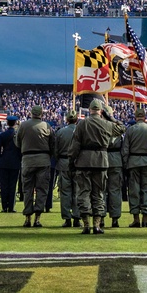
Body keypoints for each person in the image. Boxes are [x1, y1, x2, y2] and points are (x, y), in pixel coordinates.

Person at [71, 98, 125, 235]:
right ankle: (96, 225)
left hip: (84, 161)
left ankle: (86, 225)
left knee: (84, 193)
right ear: (101, 111)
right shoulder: (107, 124)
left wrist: (72, 160)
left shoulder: (82, 124)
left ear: (89, 110)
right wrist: (111, 117)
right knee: (98, 193)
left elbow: (75, 145)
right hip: (101, 161)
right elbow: (122, 128)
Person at [15, 105, 55, 227]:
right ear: (41, 114)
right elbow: (53, 143)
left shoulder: (23, 125)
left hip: (27, 160)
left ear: (31, 113)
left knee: (27, 190)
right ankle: (37, 218)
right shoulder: (47, 126)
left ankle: (27, 218)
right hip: (43, 160)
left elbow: (17, 142)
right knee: (42, 190)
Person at [122, 105, 147, 227]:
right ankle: (145, 218)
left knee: (134, 191)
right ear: (145, 118)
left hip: (133, 162)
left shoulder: (130, 130)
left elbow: (125, 149)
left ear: (136, 118)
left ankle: (136, 218)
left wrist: (125, 164)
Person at [54, 110, 82, 227]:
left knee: (65, 193)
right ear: (76, 120)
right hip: (77, 163)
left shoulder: (60, 132)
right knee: (77, 192)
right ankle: (77, 218)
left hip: (64, 163)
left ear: (66, 120)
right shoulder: (80, 132)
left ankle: (67, 219)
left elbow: (55, 150)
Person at [0, 116, 21, 213]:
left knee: (4, 185)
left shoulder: (2, 135)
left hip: (4, 162)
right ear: (15, 123)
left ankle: (4, 207)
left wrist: (1, 156)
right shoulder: (17, 135)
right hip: (15, 162)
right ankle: (11, 206)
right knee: (12, 185)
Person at [104, 124, 125, 228]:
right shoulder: (118, 130)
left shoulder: (101, 126)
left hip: (102, 159)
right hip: (116, 160)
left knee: (100, 190)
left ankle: (101, 217)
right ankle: (115, 219)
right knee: (115, 190)